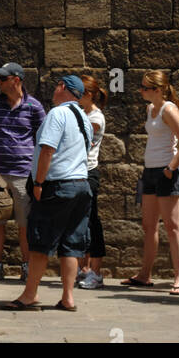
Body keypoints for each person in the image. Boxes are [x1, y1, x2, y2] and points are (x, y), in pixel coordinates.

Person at [6, 74, 92, 313]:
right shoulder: (83, 117)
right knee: (71, 244)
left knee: (40, 242)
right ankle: (68, 297)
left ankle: (29, 294)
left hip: (58, 185)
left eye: (56, 86)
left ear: (62, 87)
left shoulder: (57, 114)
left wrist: (38, 183)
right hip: (81, 185)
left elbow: (47, 150)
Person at [122, 68, 179, 295]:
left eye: (145, 87)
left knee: (172, 226)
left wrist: (171, 168)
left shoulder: (168, 110)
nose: (140, 90)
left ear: (158, 90)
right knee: (149, 226)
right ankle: (145, 274)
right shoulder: (150, 108)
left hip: (166, 171)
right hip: (149, 171)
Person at [0, 62, 46, 282]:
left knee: (24, 223)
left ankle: (26, 266)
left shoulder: (34, 107)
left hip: (23, 173)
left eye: (3, 78)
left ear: (16, 80)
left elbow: (42, 136)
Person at [76, 74, 107, 289]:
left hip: (88, 172)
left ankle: (96, 271)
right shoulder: (81, 113)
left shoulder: (95, 118)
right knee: (80, 223)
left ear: (87, 95)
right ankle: (83, 268)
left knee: (92, 222)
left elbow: (78, 140)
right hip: (76, 172)